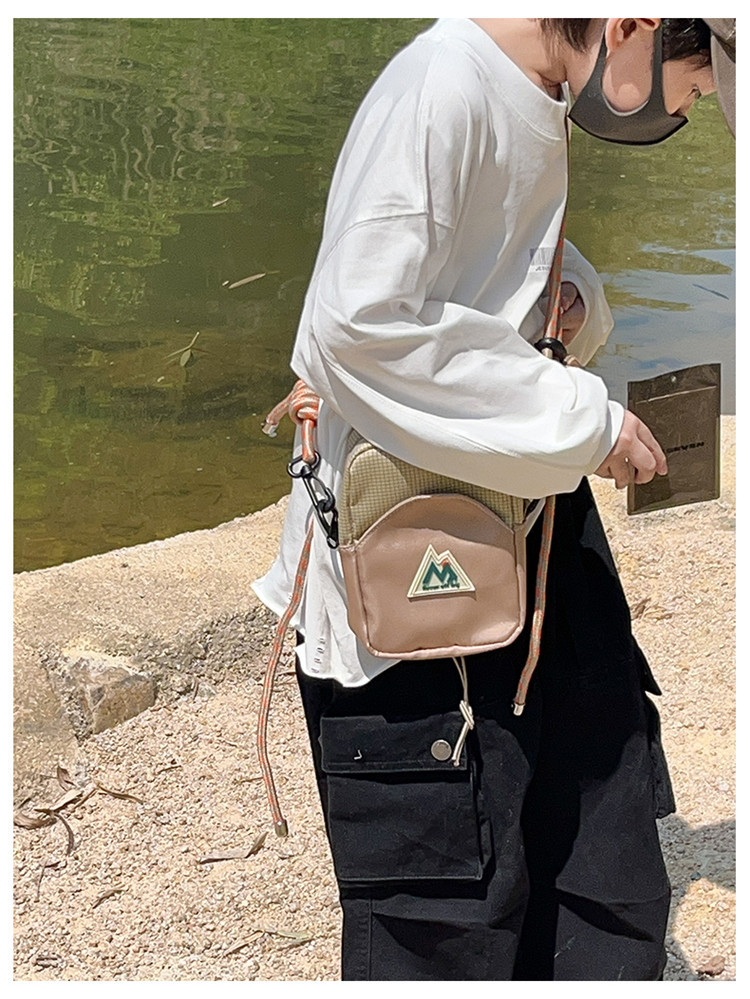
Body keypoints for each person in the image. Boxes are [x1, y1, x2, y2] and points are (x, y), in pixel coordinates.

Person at [252, 18, 736, 981]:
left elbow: (481, 277)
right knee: (446, 906)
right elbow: (358, 325)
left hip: (532, 513)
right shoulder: (443, 87)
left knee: (600, 849)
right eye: (690, 88)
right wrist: (584, 421)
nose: (684, 113)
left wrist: (573, 302)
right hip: (416, 534)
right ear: (631, 24)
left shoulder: (537, 91)